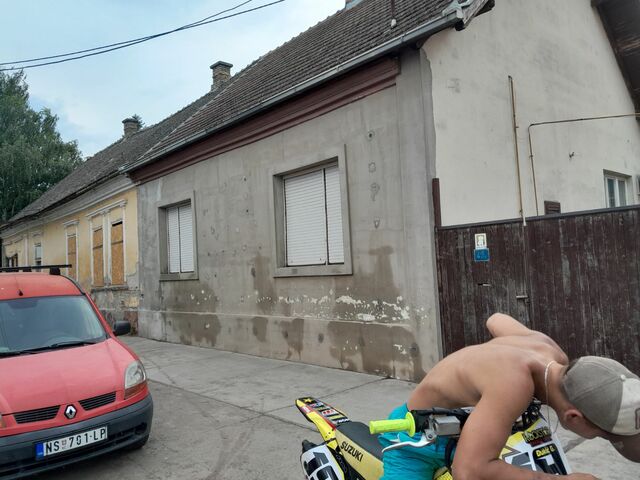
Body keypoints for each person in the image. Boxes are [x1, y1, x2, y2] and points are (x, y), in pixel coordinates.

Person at [379, 312, 640, 480]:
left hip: (465, 432)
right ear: (574, 418)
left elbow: (495, 319)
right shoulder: (514, 384)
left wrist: (486, 363)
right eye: (603, 435)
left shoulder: (549, 351)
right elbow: (468, 471)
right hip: (415, 439)